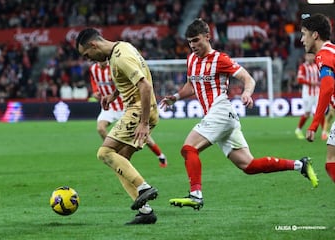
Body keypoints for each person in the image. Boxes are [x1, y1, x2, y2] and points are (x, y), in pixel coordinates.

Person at [160, 19, 318, 210]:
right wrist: (175, 97)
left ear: (207, 37)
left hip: (220, 110)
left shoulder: (220, 59)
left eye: (196, 40)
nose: (193, 45)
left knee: (188, 148)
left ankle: (196, 194)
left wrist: (246, 92)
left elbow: (248, 79)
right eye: (190, 42)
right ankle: (300, 165)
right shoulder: (192, 59)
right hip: (220, 117)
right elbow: (191, 85)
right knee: (249, 166)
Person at [76, 28, 159, 224]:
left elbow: (145, 86)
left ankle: (143, 188)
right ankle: (146, 212)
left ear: (94, 45)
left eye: (87, 55)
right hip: (143, 109)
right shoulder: (121, 48)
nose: (89, 59)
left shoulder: (120, 57)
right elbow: (129, 78)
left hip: (138, 110)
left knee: (104, 153)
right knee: (121, 161)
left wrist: (144, 123)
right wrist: (113, 95)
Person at [89, 60, 167, 167]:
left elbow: (125, 82)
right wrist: (95, 91)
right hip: (109, 106)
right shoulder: (93, 69)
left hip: (124, 105)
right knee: (100, 128)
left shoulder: (114, 68)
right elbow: (94, 81)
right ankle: (114, 153)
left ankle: (161, 156)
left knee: (143, 135)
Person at [302, 13, 335, 183]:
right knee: (331, 163)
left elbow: (327, 87)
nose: (302, 40)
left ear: (315, 35)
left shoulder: (323, 55)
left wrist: (314, 125)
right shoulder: (332, 51)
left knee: (331, 163)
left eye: (304, 34)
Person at [294, 53, 323, 140]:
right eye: (309, 56)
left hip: (317, 92)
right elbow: (299, 79)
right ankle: (298, 129)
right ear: (305, 56)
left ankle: (324, 131)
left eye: (312, 55)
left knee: (320, 111)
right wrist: (311, 83)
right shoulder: (303, 67)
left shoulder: (316, 66)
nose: (311, 57)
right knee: (307, 113)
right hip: (307, 93)